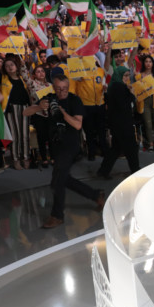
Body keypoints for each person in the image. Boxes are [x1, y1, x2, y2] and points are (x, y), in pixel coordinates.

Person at [23, 74, 104, 228]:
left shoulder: (74, 100)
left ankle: (57, 215)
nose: (61, 92)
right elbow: (25, 113)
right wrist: (39, 107)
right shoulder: (48, 98)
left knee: (57, 181)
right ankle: (96, 195)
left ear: (68, 87)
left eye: (64, 89)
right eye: (58, 89)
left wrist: (63, 113)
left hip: (71, 146)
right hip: (55, 146)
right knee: (64, 178)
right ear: (53, 87)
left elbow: (78, 125)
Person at [97, 66, 140, 177]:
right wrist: (131, 94)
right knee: (130, 147)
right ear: (119, 75)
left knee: (116, 148)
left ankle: (103, 171)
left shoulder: (114, 86)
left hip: (117, 122)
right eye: (124, 75)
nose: (126, 78)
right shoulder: (119, 87)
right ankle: (136, 170)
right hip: (123, 123)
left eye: (127, 75)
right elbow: (123, 104)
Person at [135, 56, 154, 152]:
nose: (148, 63)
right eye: (146, 61)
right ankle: (150, 143)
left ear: (152, 63)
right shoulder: (139, 76)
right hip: (145, 101)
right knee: (148, 124)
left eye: (150, 61)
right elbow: (137, 90)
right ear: (144, 63)